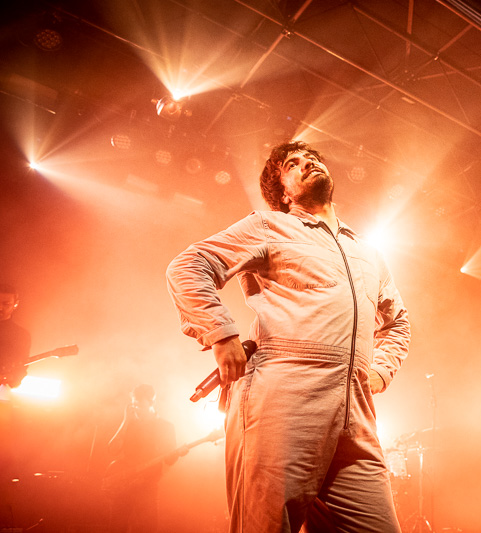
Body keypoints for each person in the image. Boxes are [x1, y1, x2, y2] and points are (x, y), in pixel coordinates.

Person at [166, 140, 411, 533]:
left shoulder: (368, 252)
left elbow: (397, 322)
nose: (307, 163)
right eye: (293, 164)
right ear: (282, 194)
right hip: (283, 397)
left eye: (311, 158)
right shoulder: (269, 226)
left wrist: (380, 371)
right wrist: (221, 334)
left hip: (355, 411)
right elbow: (189, 266)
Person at [104, 384, 177, 533]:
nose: (136, 409)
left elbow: (170, 458)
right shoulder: (129, 424)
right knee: (117, 527)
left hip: (147, 487)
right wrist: (125, 421)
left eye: (140, 405)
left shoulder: (165, 427)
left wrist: (177, 454)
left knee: (146, 528)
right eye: (134, 405)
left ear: (151, 402)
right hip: (123, 487)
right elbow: (112, 450)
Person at [0, 284, 30, 389]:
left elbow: (21, 368)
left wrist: (9, 377)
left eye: (6, 304)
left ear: (15, 304)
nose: (0, 308)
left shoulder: (21, 335)